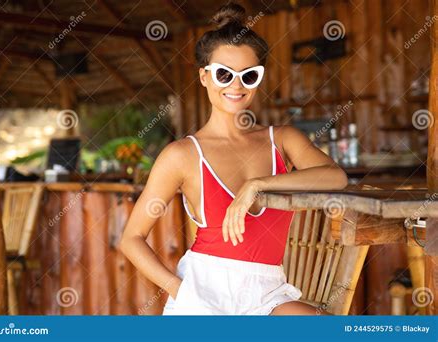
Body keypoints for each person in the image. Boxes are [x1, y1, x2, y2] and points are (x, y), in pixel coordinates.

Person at [121, 2, 348, 315]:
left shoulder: (282, 140)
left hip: (268, 293)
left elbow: (336, 177)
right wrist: (181, 291)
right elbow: (132, 238)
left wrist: (256, 185)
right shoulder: (182, 155)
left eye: (248, 75)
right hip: (203, 293)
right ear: (204, 77)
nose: (236, 85)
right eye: (224, 74)